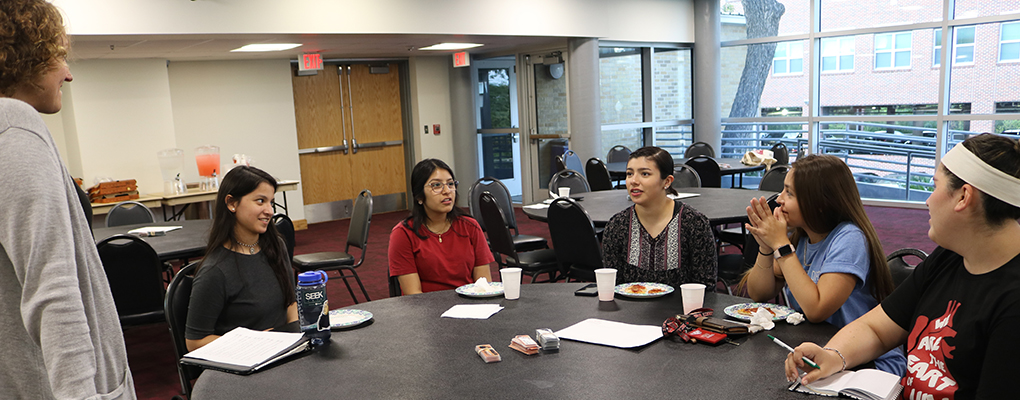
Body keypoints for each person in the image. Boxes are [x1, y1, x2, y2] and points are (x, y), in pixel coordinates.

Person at [784, 134, 1020, 399]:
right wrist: (833, 356)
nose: (928, 201)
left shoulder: (1011, 303)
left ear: (964, 196)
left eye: (935, 186)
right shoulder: (948, 258)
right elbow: (876, 328)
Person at [0, 1, 137, 398]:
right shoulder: (14, 128)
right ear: (24, 56)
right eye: (58, 55)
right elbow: (53, 287)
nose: (68, 73)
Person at [742, 154, 904, 375]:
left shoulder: (850, 238)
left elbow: (817, 309)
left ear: (818, 203)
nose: (779, 199)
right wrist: (766, 248)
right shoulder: (803, 238)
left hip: (868, 362)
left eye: (789, 193)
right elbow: (759, 293)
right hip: (822, 350)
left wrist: (781, 244)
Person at [185, 166, 298, 351]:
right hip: (245, 364)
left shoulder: (276, 246)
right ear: (231, 203)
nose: (269, 210)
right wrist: (255, 342)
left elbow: (290, 302)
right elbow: (194, 343)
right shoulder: (215, 271)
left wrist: (294, 338)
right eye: (260, 201)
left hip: (281, 354)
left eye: (271, 202)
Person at [602, 146, 717, 288]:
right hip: (630, 309)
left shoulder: (694, 224)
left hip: (682, 309)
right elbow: (612, 287)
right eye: (629, 174)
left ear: (667, 181)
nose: (633, 181)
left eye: (645, 174)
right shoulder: (617, 225)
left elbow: (706, 287)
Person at [389, 158, 494, 294]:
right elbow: (413, 295)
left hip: (469, 306)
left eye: (450, 184)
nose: (447, 191)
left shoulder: (470, 226)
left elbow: (483, 285)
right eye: (437, 185)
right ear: (419, 196)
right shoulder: (403, 233)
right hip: (425, 309)